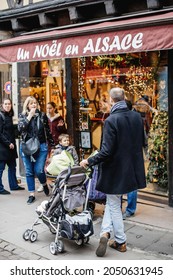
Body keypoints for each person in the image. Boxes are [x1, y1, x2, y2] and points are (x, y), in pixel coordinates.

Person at [80, 87, 146, 257]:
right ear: (124, 98)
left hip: (116, 171)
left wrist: (88, 161)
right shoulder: (137, 117)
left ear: (111, 100)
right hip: (132, 169)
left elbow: (106, 151)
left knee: (115, 206)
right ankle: (105, 232)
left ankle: (121, 241)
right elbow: (142, 142)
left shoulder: (111, 120)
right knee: (112, 202)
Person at [18, 96, 55, 204]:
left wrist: (52, 147)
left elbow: (47, 131)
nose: (34, 105)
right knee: (29, 171)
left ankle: (44, 184)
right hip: (27, 147)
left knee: (39, 170)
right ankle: (31, 194)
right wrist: (29, 116)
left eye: (35, 103)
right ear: (27, 106)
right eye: (31, 103)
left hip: (41, 146)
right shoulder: (23, 116)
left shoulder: (42, 115)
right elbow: (20, 129)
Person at [0, 98, 25, 195]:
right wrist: (8, 143)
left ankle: (14, 185)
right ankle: (0, 188)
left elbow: (10, 131)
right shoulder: (1, 116)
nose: (7, 106)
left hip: (11, 147)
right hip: (3, 147)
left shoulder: (10, 116)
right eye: (5, 104)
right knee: (1, 169)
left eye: (9, 104)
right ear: (2, 105)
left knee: (12, 167)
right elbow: (0, 134)